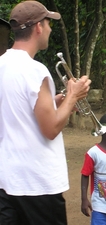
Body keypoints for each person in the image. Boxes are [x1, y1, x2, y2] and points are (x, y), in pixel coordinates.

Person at [0, 1, 91, 225]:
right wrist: (72, 95)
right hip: (37, 183)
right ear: (39, 27)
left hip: (6, 180)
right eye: (49, 23)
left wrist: (54, 102)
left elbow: (15, 108)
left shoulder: (2, 63)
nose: (50, 29)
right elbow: (50, 129)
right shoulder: (35, 70)